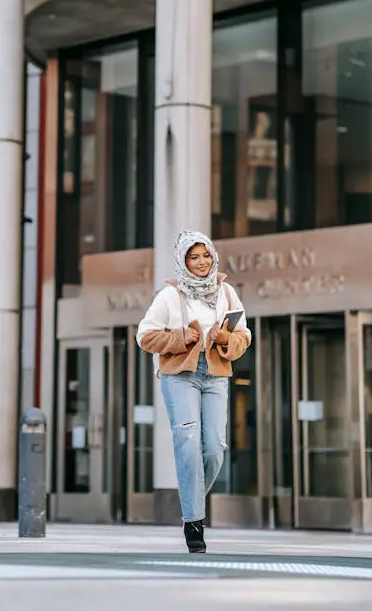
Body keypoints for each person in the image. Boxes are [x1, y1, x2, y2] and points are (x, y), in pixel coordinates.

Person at [136, 229, 251, 554]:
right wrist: (182, 337)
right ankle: (194, 522)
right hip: (180, 377)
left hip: (215, 375)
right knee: (187, 444)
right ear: (184, 262)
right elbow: (145, 337)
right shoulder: (170, 296)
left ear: (213, 257)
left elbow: (244, 336)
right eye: (193, 257)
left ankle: (192, 504)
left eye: (205, 256)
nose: (201, 263)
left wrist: (225, 339)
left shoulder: (226, 292)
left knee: (214, 448)